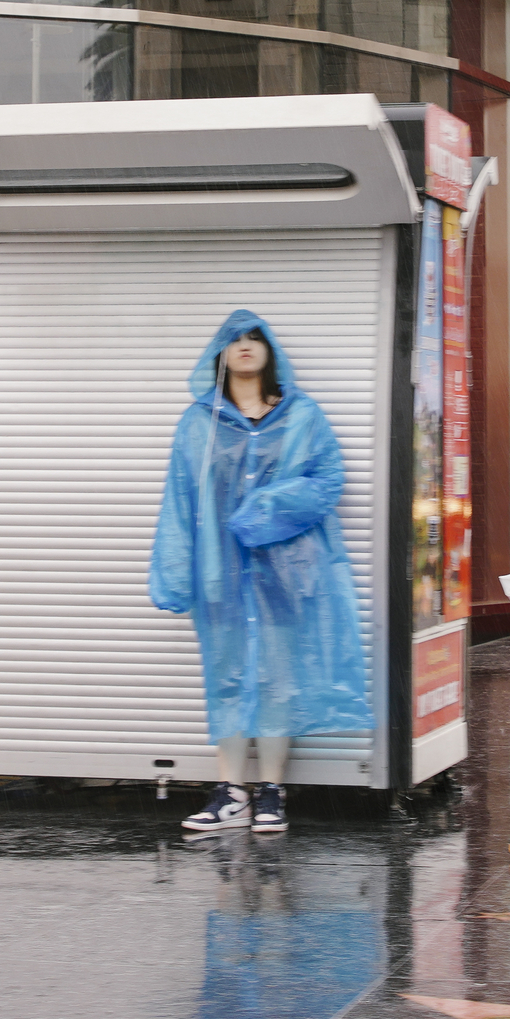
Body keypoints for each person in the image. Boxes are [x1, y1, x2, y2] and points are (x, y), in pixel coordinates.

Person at [149, 310, 364, 835]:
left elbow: (328, 479)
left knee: (276, 681)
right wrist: (173, 575)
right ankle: (230, 792)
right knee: (226, 677)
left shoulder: (301, 416)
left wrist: (269, 507)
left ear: (270, 352)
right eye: (233, 340)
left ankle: (271, 790)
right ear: (219, 355)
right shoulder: (197, 422)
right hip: (219, 576)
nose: (244, 346)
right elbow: (179, 503)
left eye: (254, 338)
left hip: (287, 575)